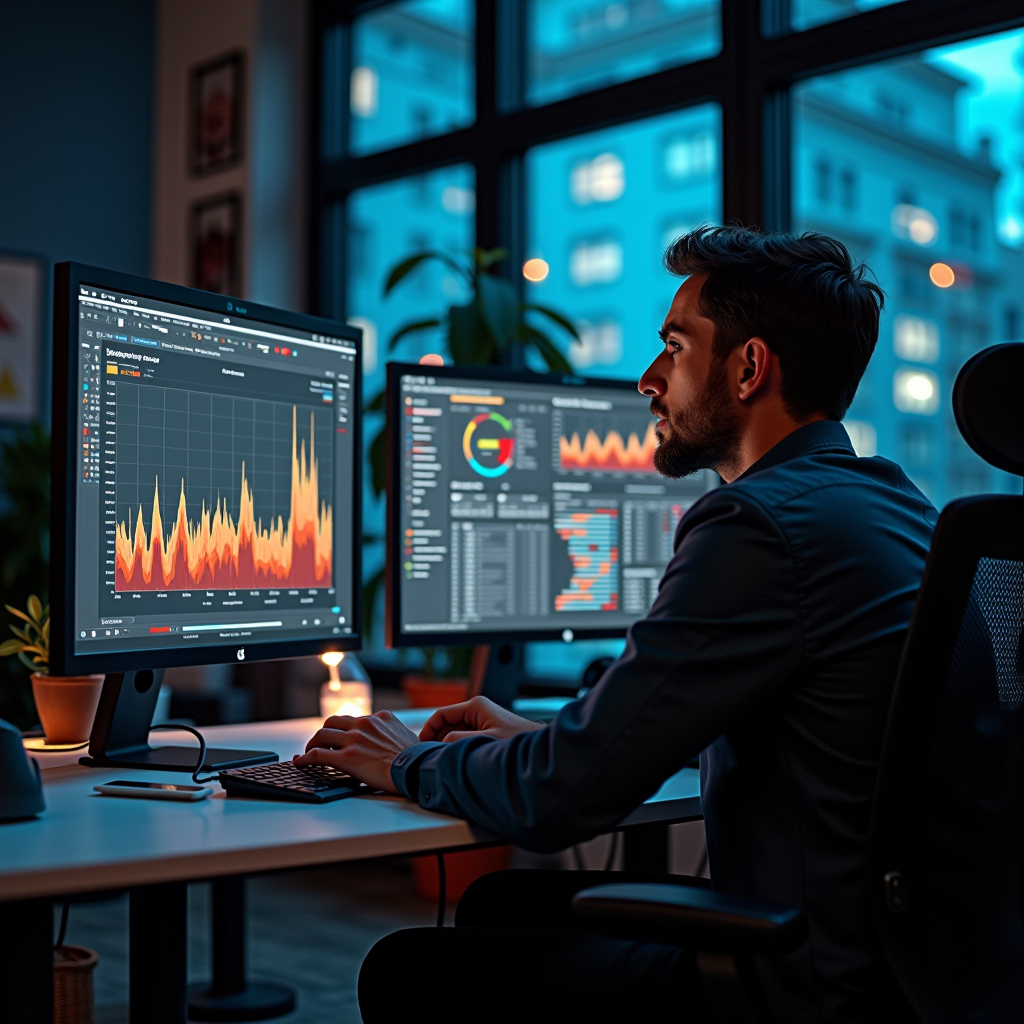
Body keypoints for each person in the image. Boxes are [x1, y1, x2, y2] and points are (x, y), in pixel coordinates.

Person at [297, 226, 937, 1023]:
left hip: (797, 983)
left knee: (404, 968)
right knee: (503, 902)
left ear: (748, 368)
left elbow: (562, 803)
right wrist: (535, 737)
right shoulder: (899, 507)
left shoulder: (757, 525)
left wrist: (403, 763)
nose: (648, 378)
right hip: (904, 964)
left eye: (675, 345)